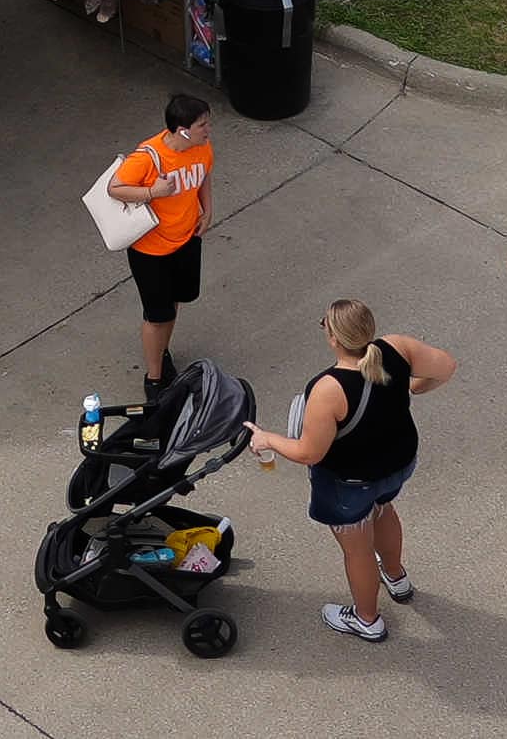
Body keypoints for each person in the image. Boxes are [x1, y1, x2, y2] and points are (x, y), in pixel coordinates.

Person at [241, 296, 450, 640]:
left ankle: (367, 620)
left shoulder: (328, 389)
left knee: (357, 549)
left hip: (350, 482)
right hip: (398, 464)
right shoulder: (397, 347)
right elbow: (446, 367)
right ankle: (396, 578)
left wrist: (268, 440)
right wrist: (413, 387)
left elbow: (309, 452)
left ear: (334, 339)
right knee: (383, 510)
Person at [103, 85, 214, 391]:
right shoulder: (148, 157)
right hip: (151, 251)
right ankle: (154, 379)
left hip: (186, 239)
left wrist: (207, 210)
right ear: (183, 130)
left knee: (175, 301)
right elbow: (115, 188)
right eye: (202, 125)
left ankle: (162, 352)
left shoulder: (202, 147)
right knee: (156, 314)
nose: (208, 129)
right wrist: (153, 192)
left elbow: (204, 175)